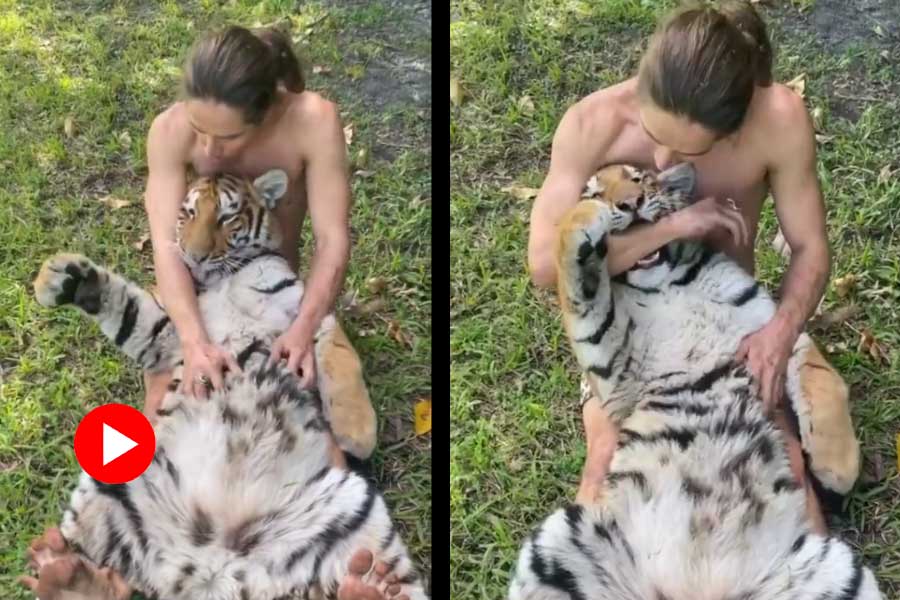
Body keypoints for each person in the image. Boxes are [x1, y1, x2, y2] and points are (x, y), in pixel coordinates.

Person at [526, 0, 859, 532]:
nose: (662, 164)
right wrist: (672, 227)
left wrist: (779, 333)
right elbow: (546, 264)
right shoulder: (592, 124)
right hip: (627, 336)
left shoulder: (778, 120)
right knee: (605, 470)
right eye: (655, 138)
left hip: (728, 327)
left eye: (690, 153)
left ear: (737, 122)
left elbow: (811, 249)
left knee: (789, 471)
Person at [143, 25, 375, 459]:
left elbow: (332, 240)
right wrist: (194, 343)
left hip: (281, 301)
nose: (209, 150)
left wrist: (304, 328)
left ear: (268, 111)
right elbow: (166, 248)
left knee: (336, 441)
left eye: (228, 137)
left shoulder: (312, 122)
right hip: (196, 300)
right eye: (200, 129)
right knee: (166, 433)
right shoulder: (170, 131)